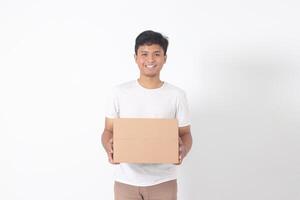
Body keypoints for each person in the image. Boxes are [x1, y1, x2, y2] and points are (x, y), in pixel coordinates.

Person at [101, 30, 192, 200]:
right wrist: (109, 148)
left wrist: (183, 151)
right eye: (144, 54)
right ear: (135, 57)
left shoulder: (176, 95)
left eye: (156, 54)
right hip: (125, 181)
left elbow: (185, 133)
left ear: (165, 58)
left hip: (163, 181)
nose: (150, 60)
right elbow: (108, 130)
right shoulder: (119, 93)